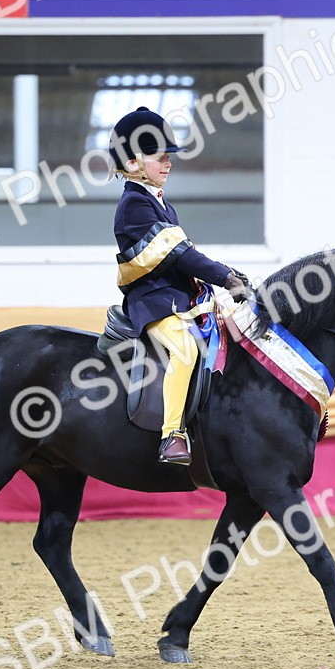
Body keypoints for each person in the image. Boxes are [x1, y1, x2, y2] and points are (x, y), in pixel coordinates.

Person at [108, 106, 249, 466]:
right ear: (134, 161)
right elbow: (181, 256)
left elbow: (185, 256)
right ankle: (172, 435)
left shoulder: (160, 203)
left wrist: (227, 273)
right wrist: (225, 277)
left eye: (169, 157)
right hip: (155, 303)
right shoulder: (134, 205)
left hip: (179, 297)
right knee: (185, 350)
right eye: (160, 157)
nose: (168, 163)